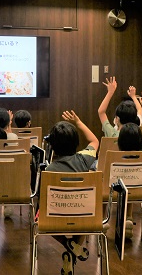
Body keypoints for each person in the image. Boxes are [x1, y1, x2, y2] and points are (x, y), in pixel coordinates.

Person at [45, 110, 99, 275]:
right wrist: (78, 122)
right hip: (84, 214)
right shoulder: (85, 159)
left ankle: (67, 244)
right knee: (85, 214)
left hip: (55, 216)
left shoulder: (49, 170)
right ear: (76, 143)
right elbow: (94, 140)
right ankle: (73, 247)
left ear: (52, 145)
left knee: (41, 219)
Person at [116, 89, 142, 239]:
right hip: (141, 188)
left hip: (114, 188)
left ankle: (102, 220)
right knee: (130, 184)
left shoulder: (115, 151)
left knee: (118, 181)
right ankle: (128, 218)